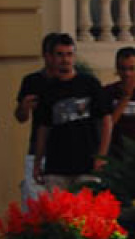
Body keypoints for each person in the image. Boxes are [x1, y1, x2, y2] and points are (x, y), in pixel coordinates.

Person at [32, 33, 112, 190]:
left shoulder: (89, 84)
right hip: (56, 166)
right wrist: (37, 162)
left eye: (69, 54)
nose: (65, 60)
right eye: (60, 55)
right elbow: (43, 128)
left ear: (74, 57)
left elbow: (106, 120)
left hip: (87, 165)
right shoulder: (47, 90)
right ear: (52, 57)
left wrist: (102, 156)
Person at [14, 33, 60, 201]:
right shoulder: (32, 81)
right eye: (55, 54)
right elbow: (20, 117)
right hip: (38, 149)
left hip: (66, 150)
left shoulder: (73, 80)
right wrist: (24, 107)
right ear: (46, 55)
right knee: (36, 203)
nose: (59, 60)